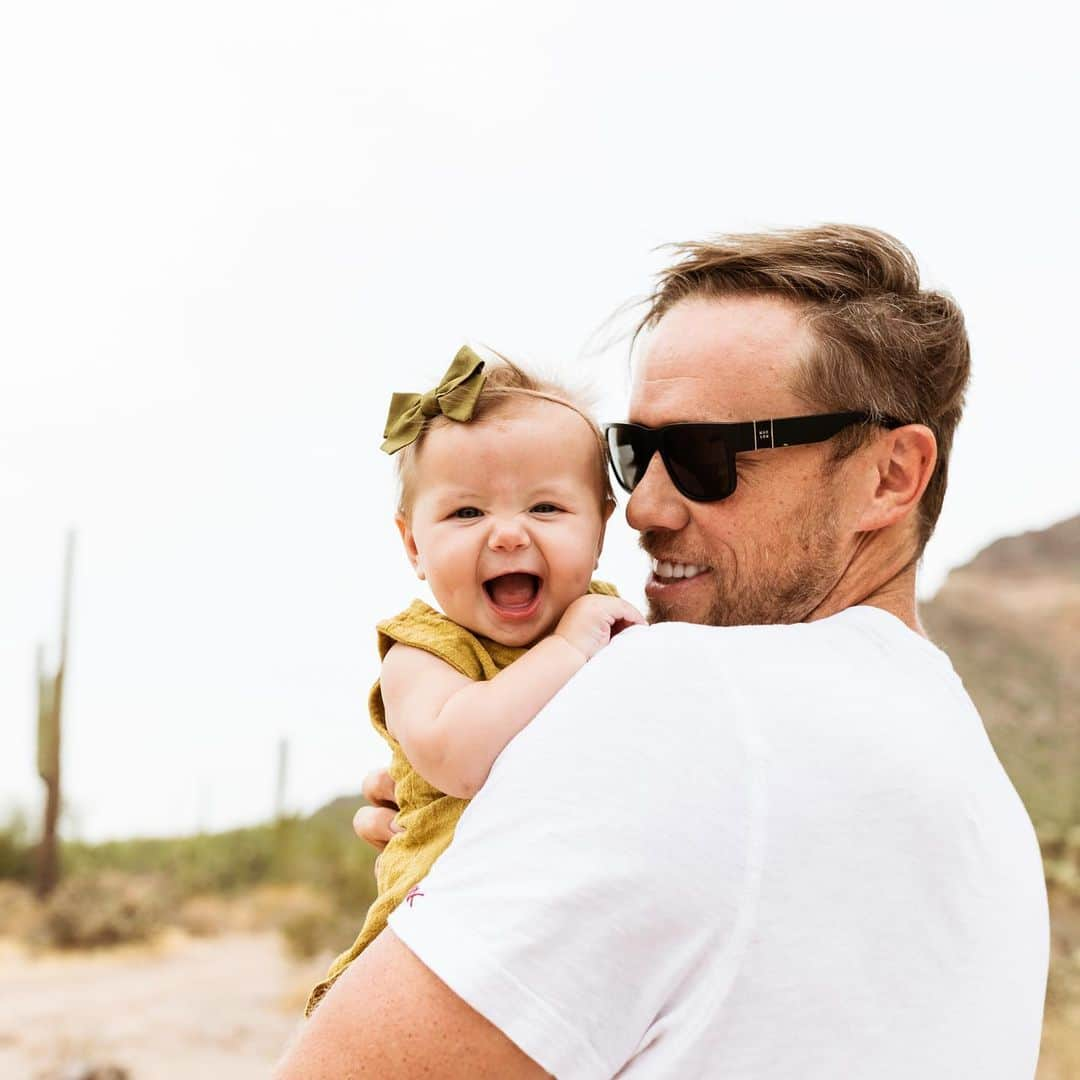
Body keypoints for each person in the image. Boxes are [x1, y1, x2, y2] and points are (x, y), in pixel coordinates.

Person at [276, 225, 1049, 1079]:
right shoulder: (980, 795)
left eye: (702, 456)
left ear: (890, 475)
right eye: (634, 453)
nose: (642, 508)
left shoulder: (682, 693)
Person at [305, 348, 643, 1014]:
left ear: (601, 526)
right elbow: (459, 761)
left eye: (546, 508)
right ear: (413, 546)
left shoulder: (617, 624)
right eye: (466, 514)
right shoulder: (426, 652)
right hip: (436, 937)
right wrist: (571, 647)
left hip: (563, 936)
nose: (509, 534)